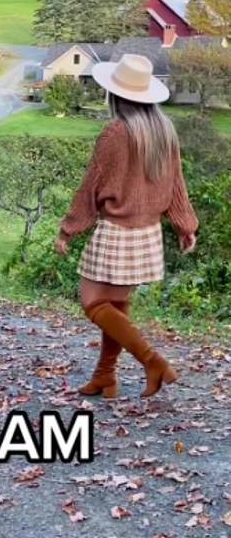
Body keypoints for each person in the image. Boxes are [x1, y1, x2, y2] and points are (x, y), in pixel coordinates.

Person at [55, 54, 198, 399]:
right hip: (147, 235)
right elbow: (177, 184)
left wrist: (68, 229)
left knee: (93, 303)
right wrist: (184, 225)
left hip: (116, 232)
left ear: (114, 94)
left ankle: (152, 361)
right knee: (115, 308)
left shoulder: (116, 132)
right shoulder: (164, 131)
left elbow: (92, 185)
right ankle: (105, 376)